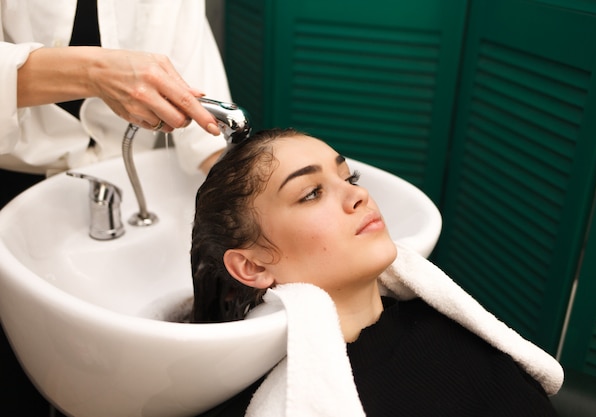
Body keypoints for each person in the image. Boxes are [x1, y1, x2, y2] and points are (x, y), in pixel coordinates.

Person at [189, 128, 562, 416]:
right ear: (252, 266)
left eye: (349, 178)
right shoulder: (281, 401)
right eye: (311, 193)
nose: (359, 195)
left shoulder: (445, 319)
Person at [0, 2, 229, 415]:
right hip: (14, 188)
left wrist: (239, 187)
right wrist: (95, 72)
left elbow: (195, 73)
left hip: (127, 177)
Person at [0, 0, 230, 208]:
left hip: (124, 181)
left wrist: (240, 185)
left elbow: (197, 80)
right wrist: (95, 74)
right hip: (16, 180)